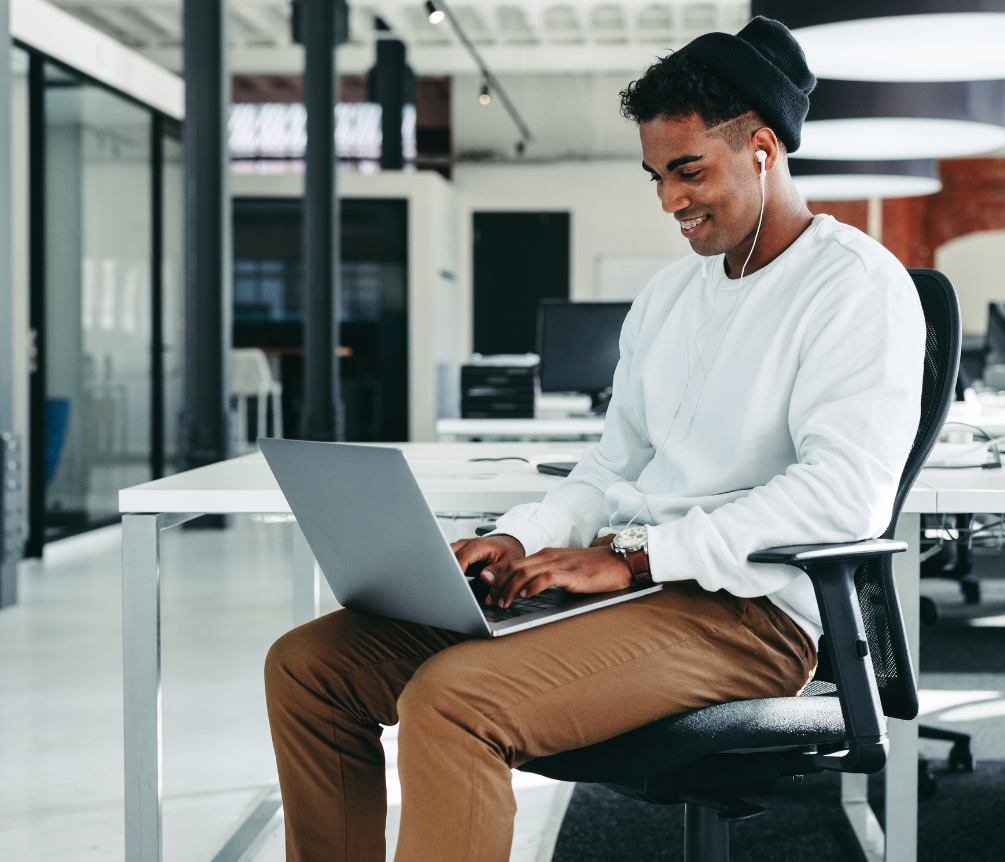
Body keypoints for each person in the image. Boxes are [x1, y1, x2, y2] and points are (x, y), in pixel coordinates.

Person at [264, 16, 925, 862]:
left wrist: (638, 554)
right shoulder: (668, 298)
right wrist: (520, 536)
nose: (669, 201)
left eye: (689, 171)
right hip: (630, 592)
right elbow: (613, 466)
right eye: (655, 176)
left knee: (453, 699)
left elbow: (840, 499)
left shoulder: (855, 287)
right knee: (310, 666)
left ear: (761, 148)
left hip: (749, 616)